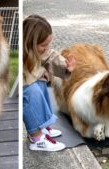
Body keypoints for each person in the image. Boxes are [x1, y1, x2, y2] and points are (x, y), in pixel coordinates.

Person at [23, 15, 75, 151]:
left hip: (30, 80)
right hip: (24, 88)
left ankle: (42, 126)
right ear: (30, 42)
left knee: (39, 84)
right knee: (31, 91)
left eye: (48, 44)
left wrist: (65, 66)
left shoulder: (37, 49)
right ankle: (37, 138)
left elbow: (50, 55)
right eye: (43, 45)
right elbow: (24, 77)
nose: (47, 48)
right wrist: (41, 71)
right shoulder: (23, 52)